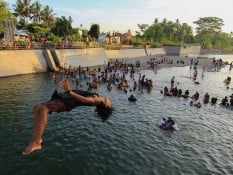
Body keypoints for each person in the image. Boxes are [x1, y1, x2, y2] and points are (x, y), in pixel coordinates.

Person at [23, 78, 112, 155]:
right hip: (65, 98)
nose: (110, 101)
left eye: (110, 104)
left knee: (43, 109)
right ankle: (35, 138)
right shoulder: (98, 98)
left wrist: (69, 91)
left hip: (67, 102)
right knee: (37, 107)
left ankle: (37, 142)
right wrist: (68, 87)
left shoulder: (98, 100)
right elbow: (82, 95)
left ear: (106, 105)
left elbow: (84, 100)